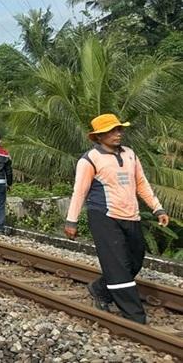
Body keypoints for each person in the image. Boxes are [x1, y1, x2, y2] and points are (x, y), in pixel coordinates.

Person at [64, 114, 169, 324]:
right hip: (104, 216)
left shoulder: (130, 154)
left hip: (131, 215)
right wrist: (71, 220)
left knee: (135, 260)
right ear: (99, 136)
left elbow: (142, 183)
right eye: (112, 131)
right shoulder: (89, 160)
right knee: (118, 266)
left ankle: (100, 288)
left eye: (119, 129)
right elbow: (79, 192)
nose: (118, 133)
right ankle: (135, 318)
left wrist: (158, 208)